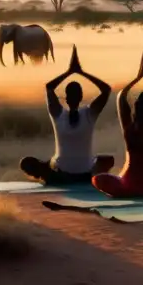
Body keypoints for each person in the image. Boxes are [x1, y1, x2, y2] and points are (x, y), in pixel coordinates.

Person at [20, 45, 115, 185]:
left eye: (75, 94)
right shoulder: (64, 114)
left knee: (107, 159)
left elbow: (106, 90)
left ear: (80, 96)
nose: (73, 97)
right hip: (73, 172)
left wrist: (79, 72)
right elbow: (49, 88)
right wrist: (72, 71)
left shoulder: (84, 113)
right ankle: (50, 166)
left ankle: (49, 167)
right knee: (26, 162)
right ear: (66, 97)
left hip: (75, 173)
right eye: (71, 94)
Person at [92, 52, 143, 198]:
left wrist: (138, 77)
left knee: (98, 178)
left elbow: (121, 97)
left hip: (129, 185)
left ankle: (132, 191)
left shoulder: (129, 130)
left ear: (136, 108)